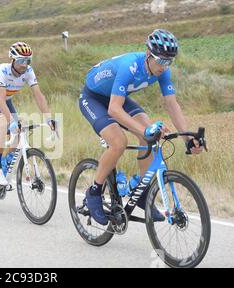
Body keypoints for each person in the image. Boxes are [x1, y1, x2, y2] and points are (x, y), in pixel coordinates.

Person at [79, 29, 203, 225]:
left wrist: (188, 139)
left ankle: (141, 191)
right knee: (119, 142)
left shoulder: (163, 70)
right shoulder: (130, 66)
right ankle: (94, 191)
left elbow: (172, 104)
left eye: (169, 61)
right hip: (93, 99)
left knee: (150, 135)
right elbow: (113, 109)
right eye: (161, 60)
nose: (164, 66)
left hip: (117, 98)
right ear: (148, 54)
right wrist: (143, 129)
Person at [0, 42, 58, 188]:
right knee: (3, 123)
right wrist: (11, 122)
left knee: (18, 136)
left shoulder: (28, 71)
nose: (24, 65)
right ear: (12, 60)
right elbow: (0, 100)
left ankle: (3, 164)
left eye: (28, 61)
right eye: (21, 61)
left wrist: (49, 118)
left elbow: (38, 96)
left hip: (6, 101)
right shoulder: (1, 72)